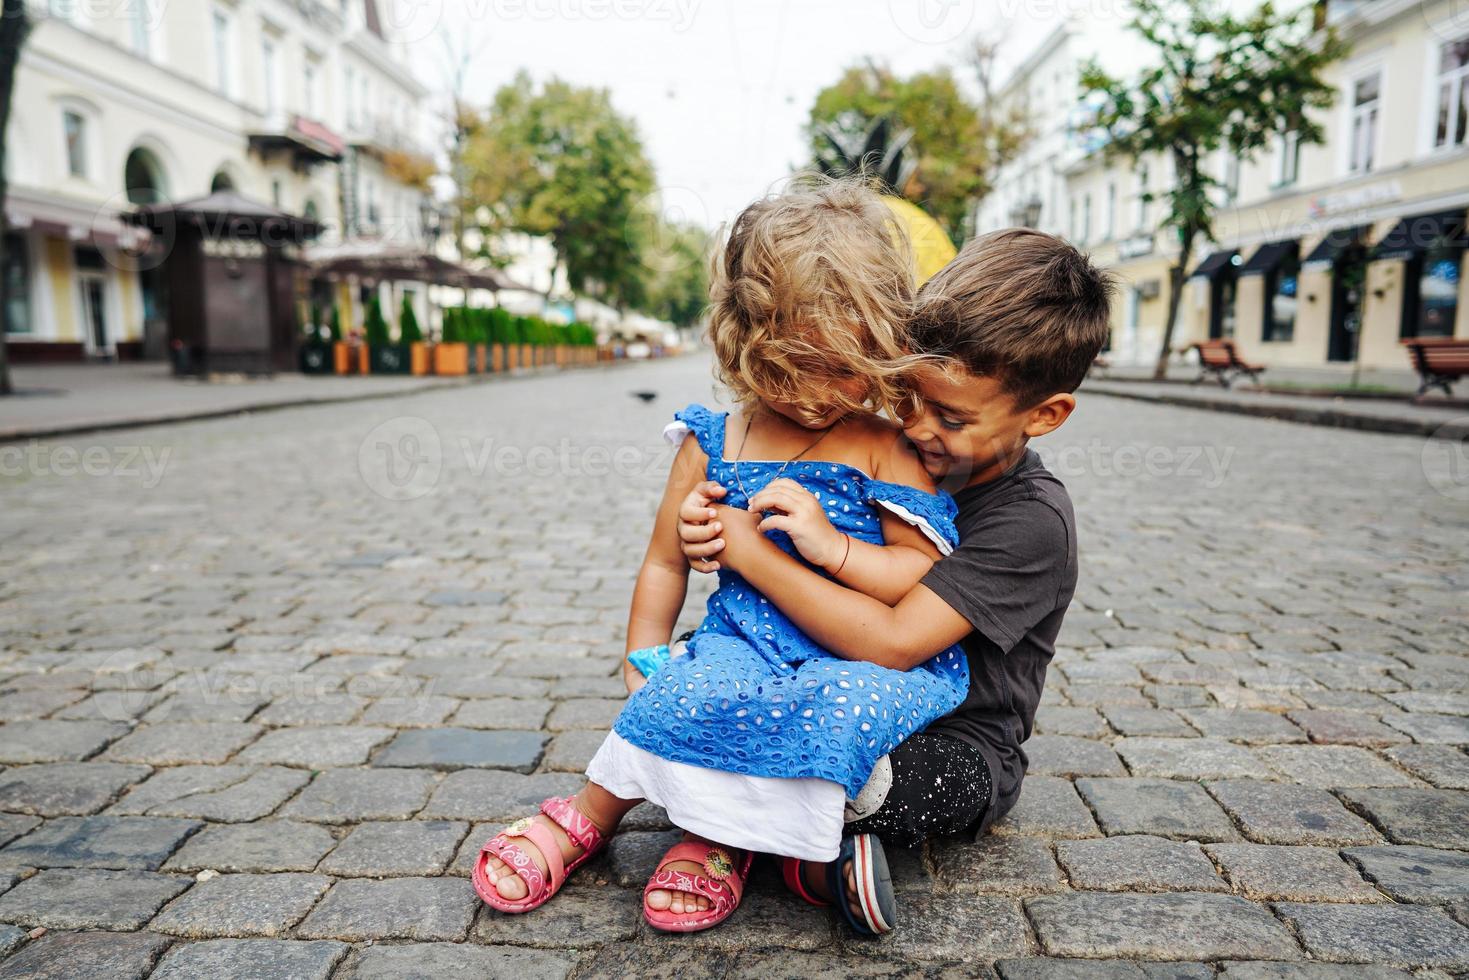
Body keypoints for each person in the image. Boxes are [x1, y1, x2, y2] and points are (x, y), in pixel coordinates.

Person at [471, 179, 969, 935]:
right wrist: (641, 648)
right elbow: (666, 562)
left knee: (826, 714)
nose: (812, 395)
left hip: (843, 654)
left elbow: (917, 572)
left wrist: (830, 546)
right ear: (743, 339)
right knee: (683, 694)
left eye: (842, 368)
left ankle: (719, 837)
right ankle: (586, 815)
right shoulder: (717, 441)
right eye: (789, 367)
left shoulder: (880, 446)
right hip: (739, 641)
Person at [677, 227, 1114, 912]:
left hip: (947, 736)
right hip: (820, 682)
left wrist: (750, 552)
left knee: (911, 779)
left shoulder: (1029, 522)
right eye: (904, 395)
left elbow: (890, 641)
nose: (913, 427)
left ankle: (791, 845)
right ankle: (801, 843)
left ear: (1046, 415)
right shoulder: (886, 455)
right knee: (708, 684)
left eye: (948, 416)